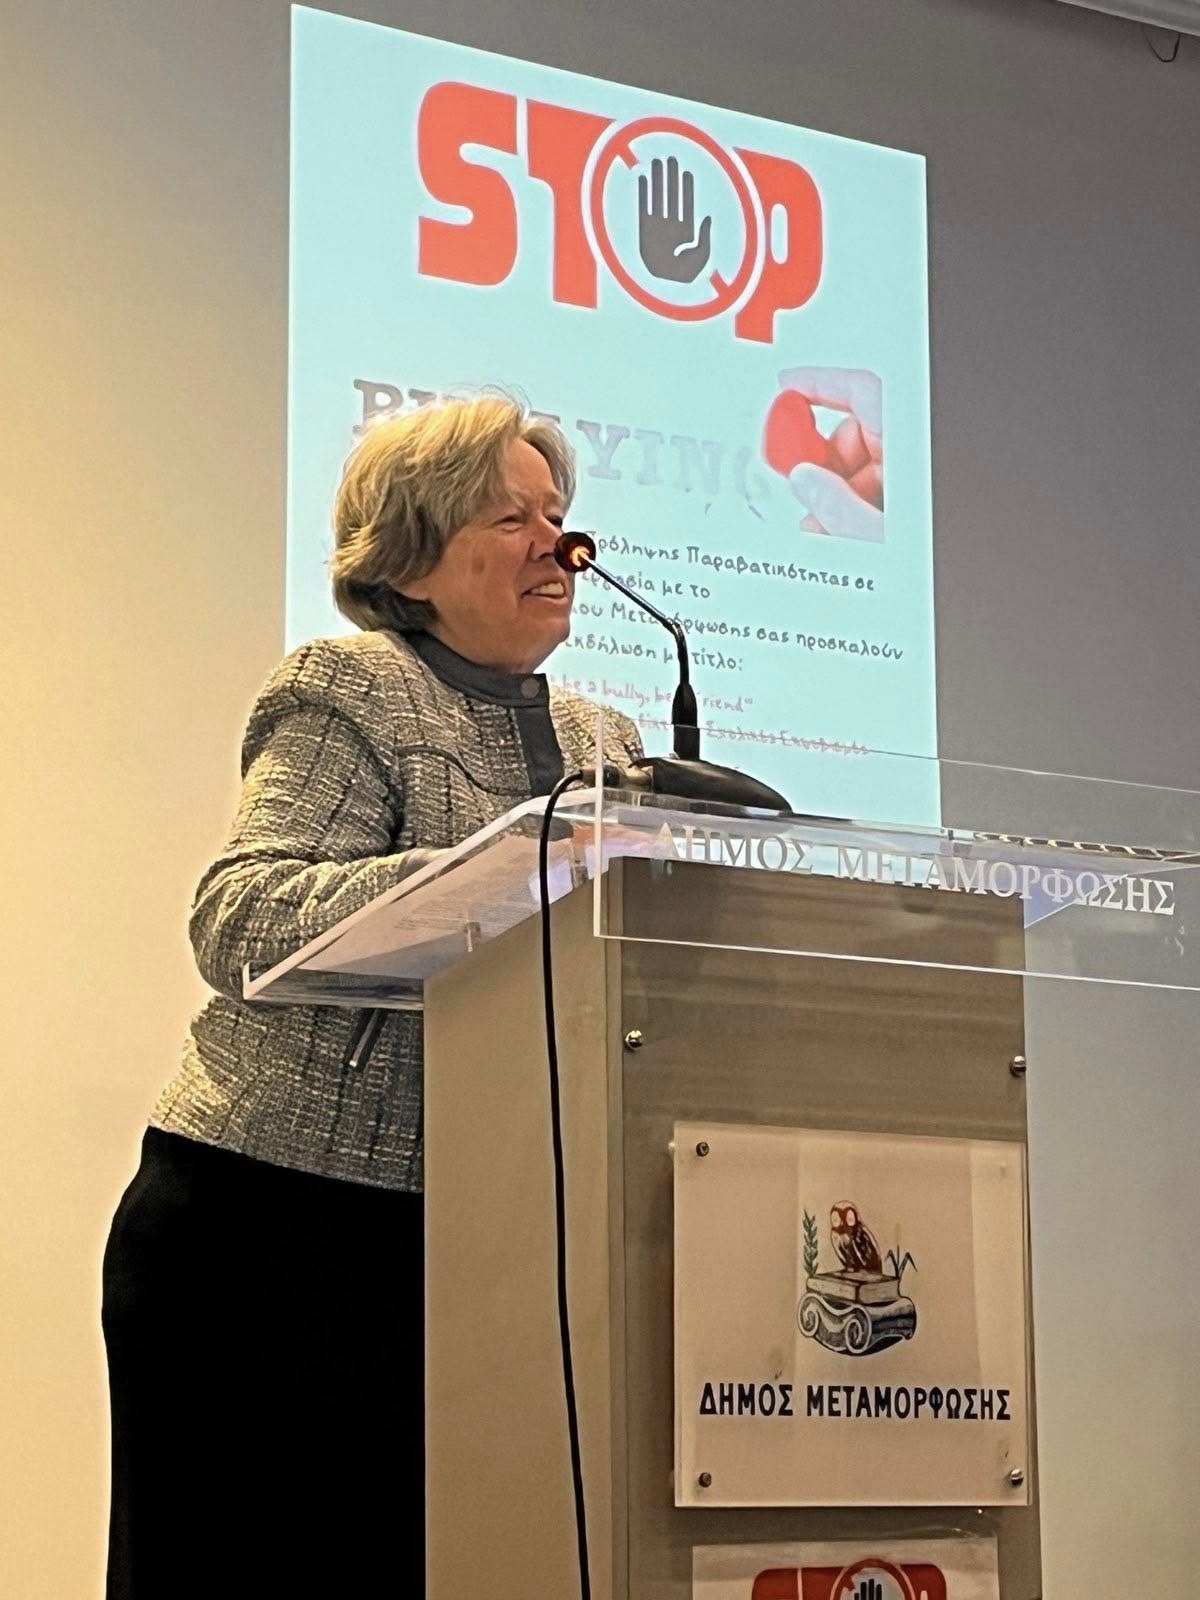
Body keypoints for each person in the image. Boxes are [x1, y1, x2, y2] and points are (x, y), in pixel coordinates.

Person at [100, 393, 643, 1600]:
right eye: (513, 517)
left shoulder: (606, 739)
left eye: (560, 513)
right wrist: (489, 871)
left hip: (485, 1231)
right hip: (272, 1223)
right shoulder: (350, 688)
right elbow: (241, 915)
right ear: (409, 559)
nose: (563, 544)